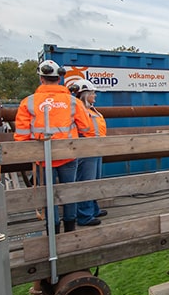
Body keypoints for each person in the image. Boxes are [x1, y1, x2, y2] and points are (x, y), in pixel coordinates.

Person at [14, 60, 94, 233]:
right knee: (68, 193)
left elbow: (20, 135)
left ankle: (53, 232)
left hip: (42, 157)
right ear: (59, 79)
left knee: (48, 196)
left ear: (41, 79)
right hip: (68, 155)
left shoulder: (28, 102)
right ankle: (70, 230)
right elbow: (87, 128)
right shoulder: (72, 102)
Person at [73, 80, 107, 226]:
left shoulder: (91, 109)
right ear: (85, 94)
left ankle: (93, 209)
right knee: (86, 180)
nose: (95, 96)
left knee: (95, 180)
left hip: (96, 147)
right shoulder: (79, 109)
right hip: (86, 147)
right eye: (92, 93)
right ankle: (84, 215)